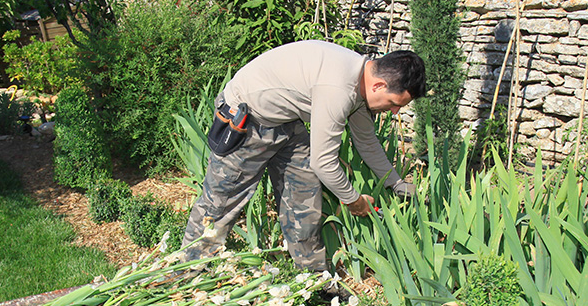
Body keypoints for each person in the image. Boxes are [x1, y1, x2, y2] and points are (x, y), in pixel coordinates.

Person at [181, 39, 426, 272]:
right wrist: (353, 200)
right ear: (379, 85)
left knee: (304, 195)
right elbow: (324, 163)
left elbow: (367, 143)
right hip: (248, 120)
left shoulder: (361, 81)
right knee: (221, 202)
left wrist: (396, 184)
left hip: (284, 120)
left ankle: (312, 277)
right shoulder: (338, 89)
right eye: (394, 102)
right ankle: (186, 271)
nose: (394, 111)